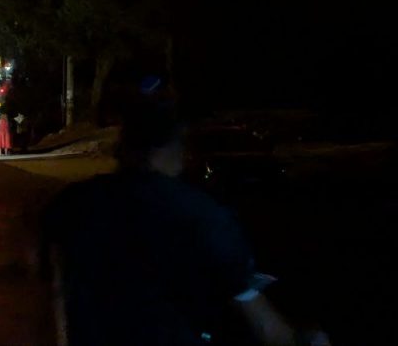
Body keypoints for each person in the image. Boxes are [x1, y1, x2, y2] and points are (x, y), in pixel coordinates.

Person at [40, 94, 329, 346]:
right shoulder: (201, 214)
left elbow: (45, 272)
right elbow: (262, 321)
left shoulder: (75, 201)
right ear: (174, 149)